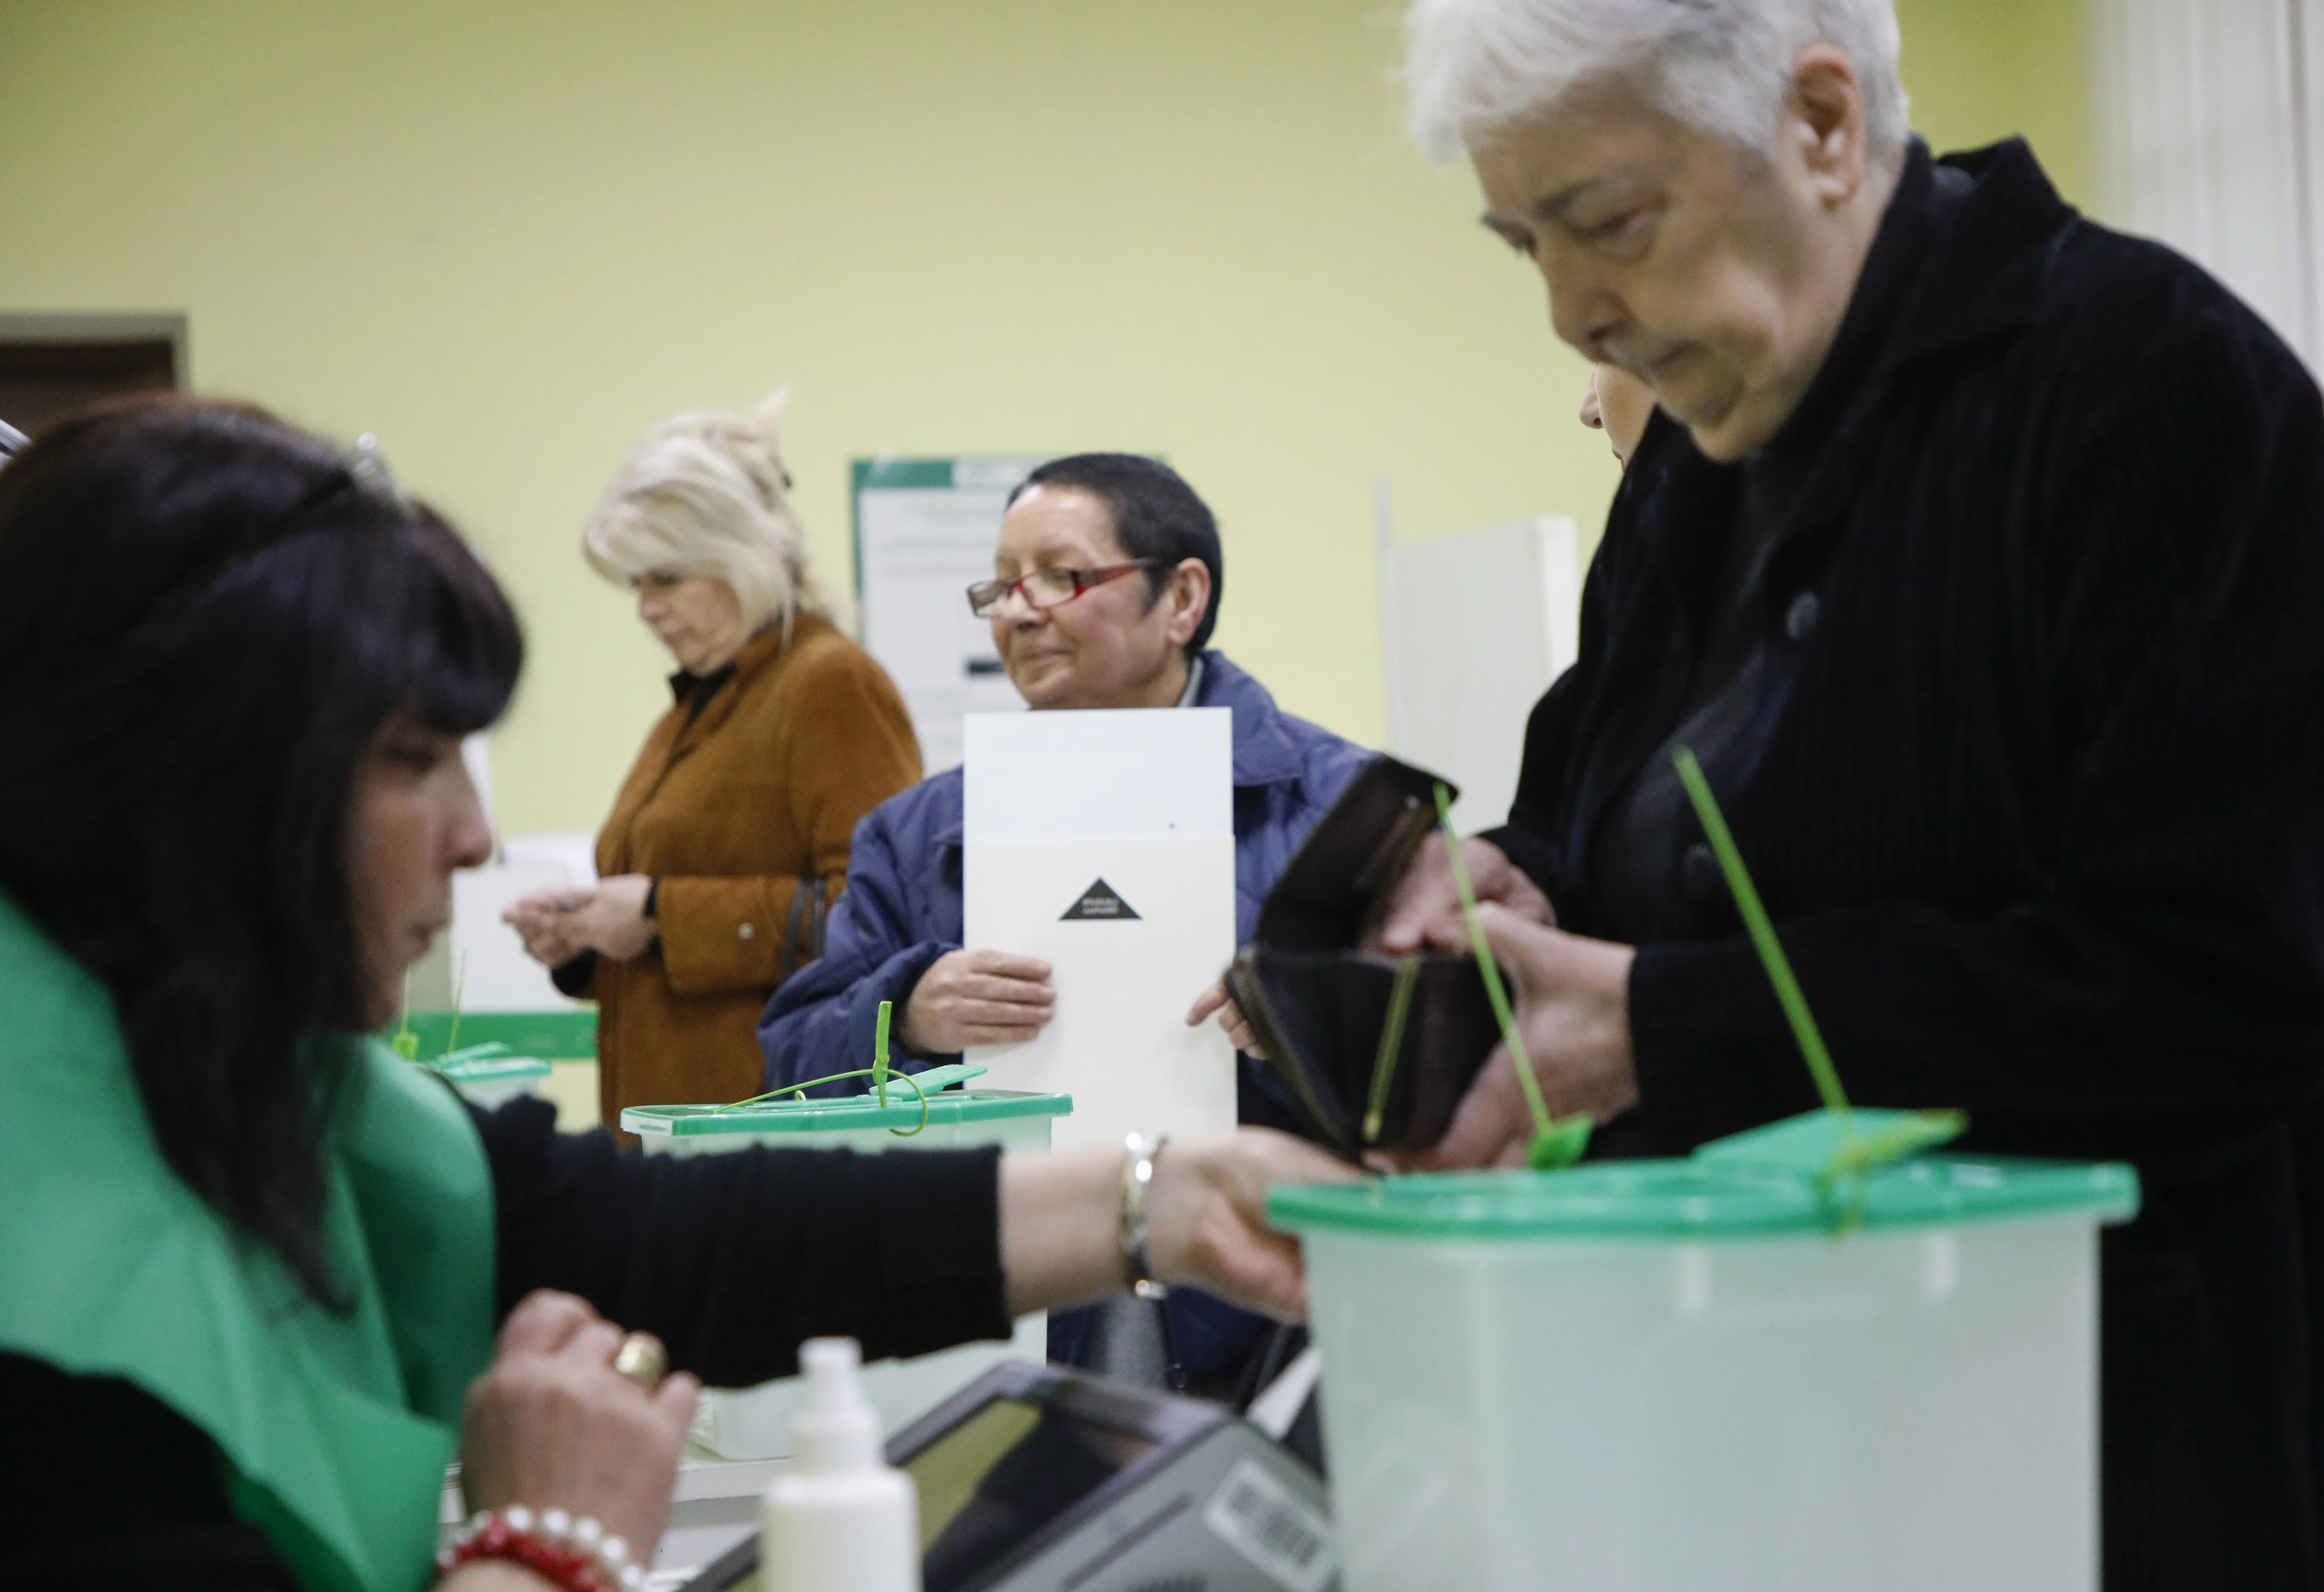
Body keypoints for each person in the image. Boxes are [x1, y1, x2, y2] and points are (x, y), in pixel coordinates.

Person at [0, 397, 1354, 1592]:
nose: (475, 836)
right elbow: (792, 1049)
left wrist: (1159, 1201)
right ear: (192, 787)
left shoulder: (254, 1077)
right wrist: (544, 1545)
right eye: (410, 758)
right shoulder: (59, 1326)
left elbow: (655, 1231)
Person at [1379, 1, 2324, 1585]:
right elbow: (1595, 812)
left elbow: (2226, 991)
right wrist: (1515, 882)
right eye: (1520, 247)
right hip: (1731, 1436)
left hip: (2073, 1460)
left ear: (1821, 128)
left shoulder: (2150, 387)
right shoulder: (1692, 456)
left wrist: (1658, 1026)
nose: (1567, 314)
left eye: (1606, 224)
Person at [758, 452, 1370, 1394]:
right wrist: (906, 1013)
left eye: (1060, 577)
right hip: (998, 1313)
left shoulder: (1340, 808)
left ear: (1181, 599)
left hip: (1284, 1315)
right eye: (1001, 585)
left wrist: (1314, 1024)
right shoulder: (915, 834)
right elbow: (790, 1068)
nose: (1017, 610)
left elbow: (1457, 1075)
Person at [506, 401, 922, 1126]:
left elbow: (880, 919)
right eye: (636, 584)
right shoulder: (694, 708)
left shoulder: (830, 682)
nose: (646, 609)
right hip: (672, 1133)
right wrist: (588, 940)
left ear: (743, 557)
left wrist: (659, 915)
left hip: (770, 1131)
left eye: (666, 578)